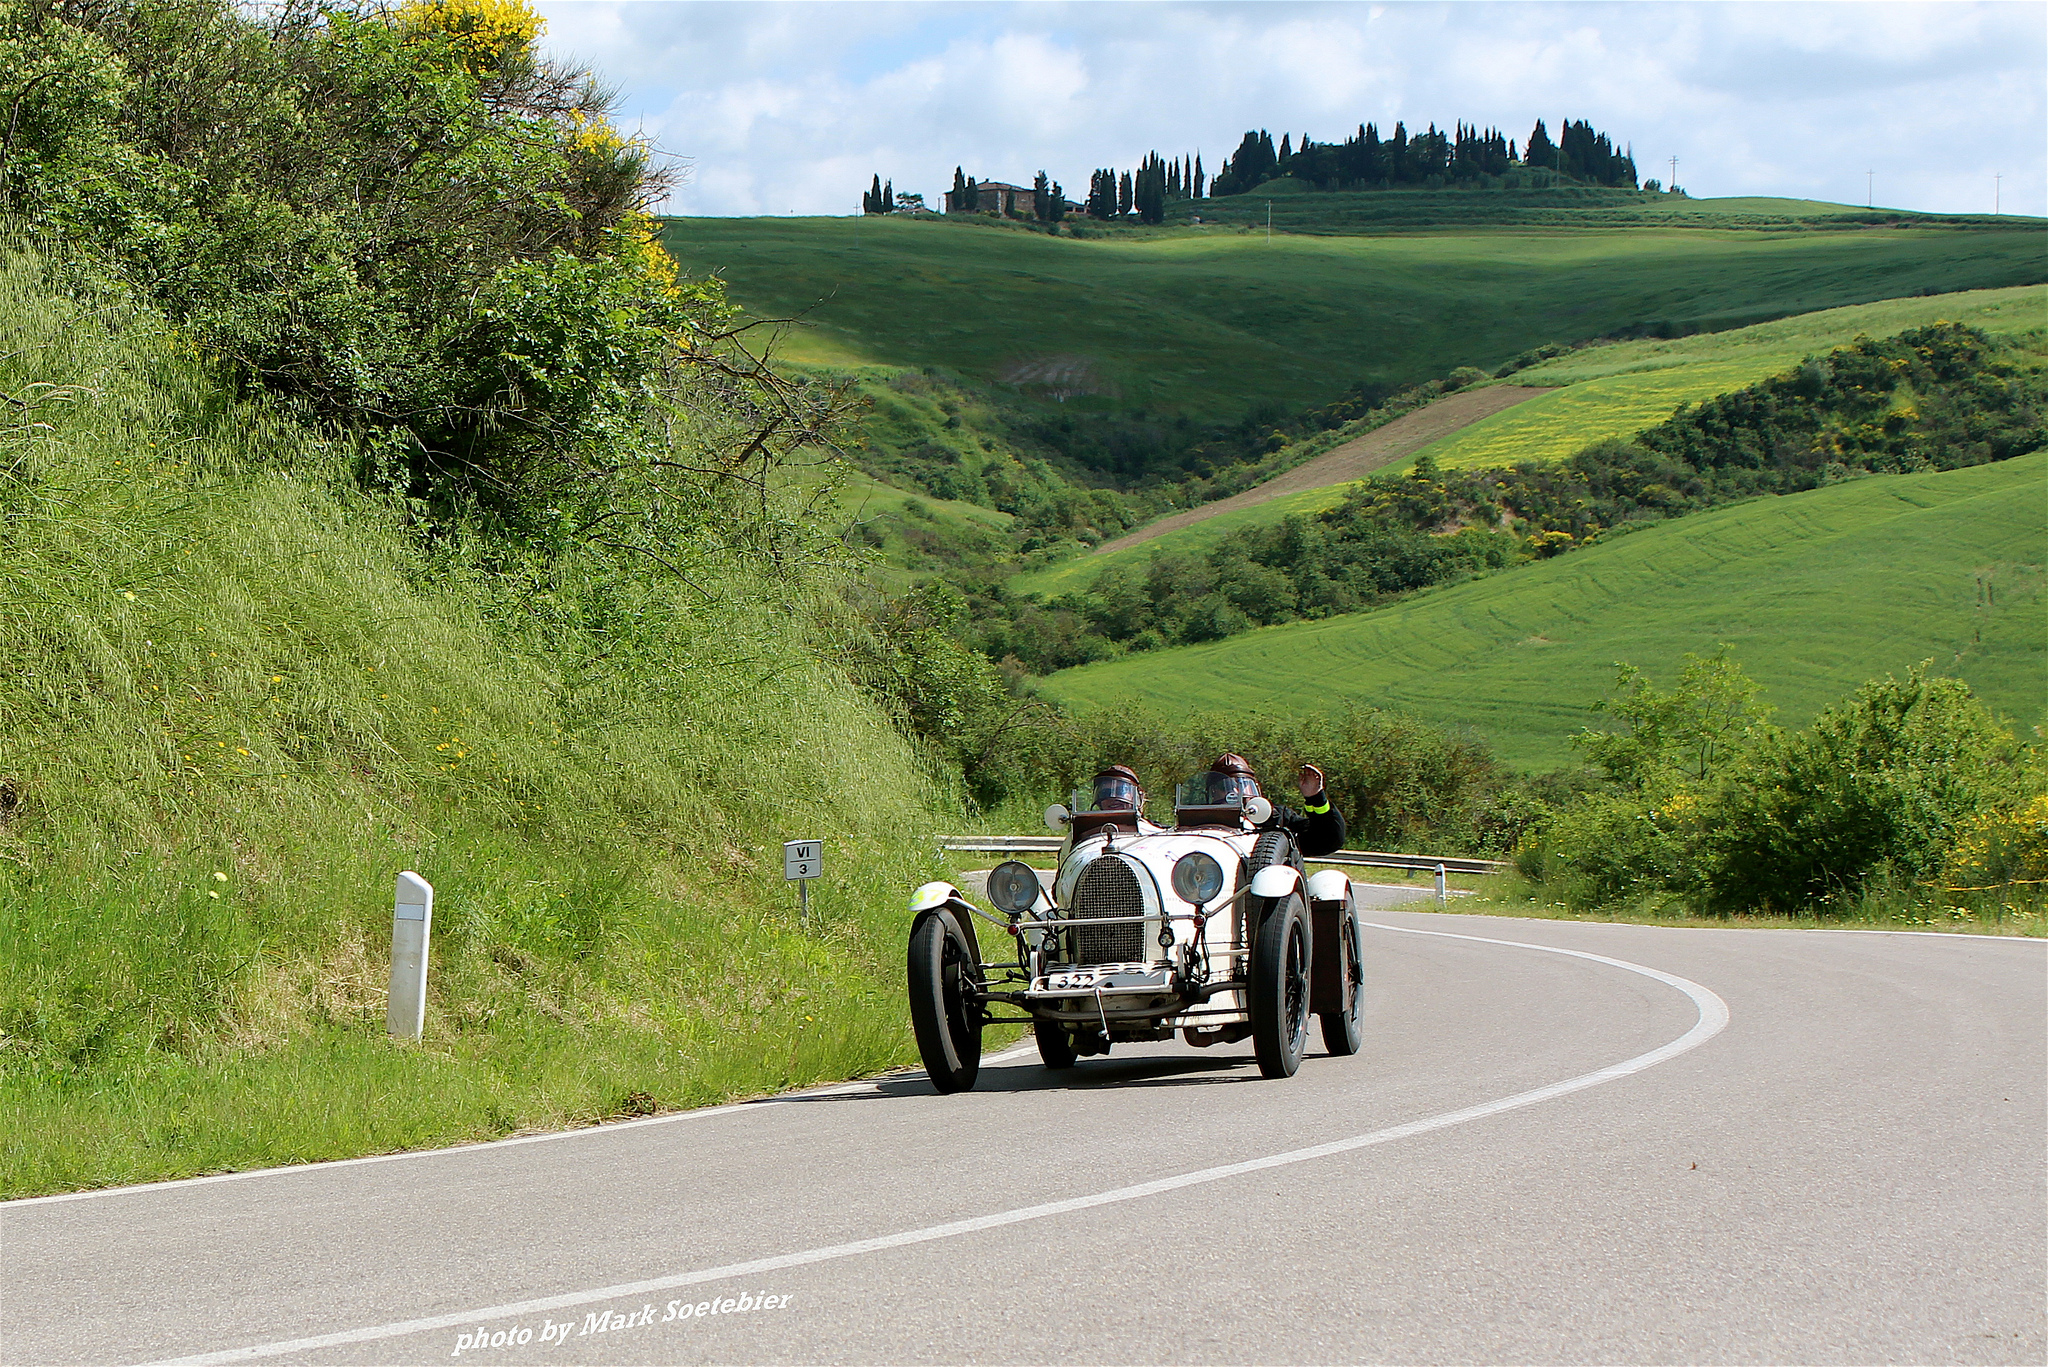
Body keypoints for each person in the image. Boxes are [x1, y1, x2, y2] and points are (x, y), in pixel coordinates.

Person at [1200, 753, 1347, 857]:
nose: (1234, 791)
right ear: (1212, 792)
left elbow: (1328, 840)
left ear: (1254, 788)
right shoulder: (1199, 822)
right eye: (1224, 786)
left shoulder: (1278, 817)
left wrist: (1315, 798)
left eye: (1242, 784)